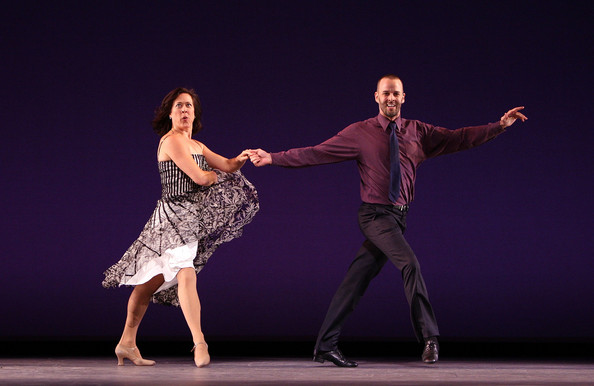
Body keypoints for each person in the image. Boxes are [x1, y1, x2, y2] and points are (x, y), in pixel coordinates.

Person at [249, 74, 527, 367]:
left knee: (356, 280)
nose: (391, 98)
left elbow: (458, 138)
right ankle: (429, 338)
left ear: (403, 97)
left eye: (396, 94)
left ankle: (325, 346)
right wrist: (273, 157)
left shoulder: (418, 132)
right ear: (376, 97)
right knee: (410, 263)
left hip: (399, 217)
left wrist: (498, 127)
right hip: (374, 215)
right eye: (386, 94)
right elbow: (318, 152)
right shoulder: (360, 132)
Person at [102, 87, 259, 367]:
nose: (185, 110)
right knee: (186, 272)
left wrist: (241, 158)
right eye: (179, 106)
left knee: (147, 284)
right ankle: (199, 342)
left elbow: (225, 164)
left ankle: (126, 343)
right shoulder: (172, 141)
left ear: (195, 113)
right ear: (170, 114)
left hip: (188, 219)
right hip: (172, 219)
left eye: (189, 106)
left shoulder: (196, 145)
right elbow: (200, 178)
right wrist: (213, 177)